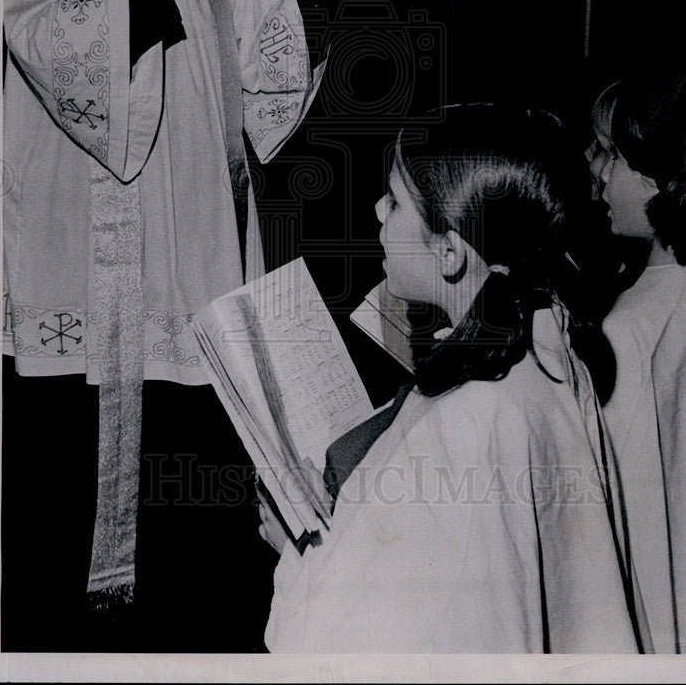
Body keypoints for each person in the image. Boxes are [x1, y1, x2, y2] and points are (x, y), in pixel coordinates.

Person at [3, 0, 327, 649]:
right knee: (71, 476)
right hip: (90, 259)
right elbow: (53, 49)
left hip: (196, 251)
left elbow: (265, 104)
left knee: (196, 466)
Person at [259, 104, 650, 653]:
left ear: (448, 252)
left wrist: (297, 551)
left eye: (395, 202)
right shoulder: (548, 345)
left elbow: (375, 644)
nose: (376, 211)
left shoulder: (471, 418)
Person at [599, 72, 686, 653]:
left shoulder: (629, 329)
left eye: (617, 158)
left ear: (667, 180)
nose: (601, 172)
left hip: (663, 627)